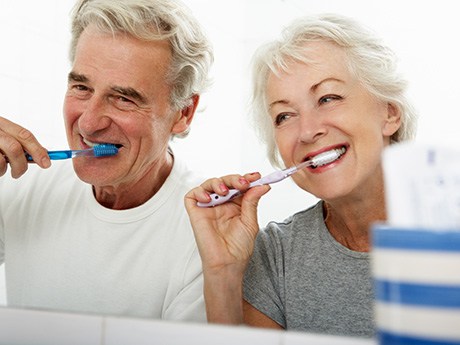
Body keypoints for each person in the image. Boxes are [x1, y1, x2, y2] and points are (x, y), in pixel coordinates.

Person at [185, 13, 417, 337]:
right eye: (284, 116)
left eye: (328, 98)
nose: (307, 131)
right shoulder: (274, 254)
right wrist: (223, 273)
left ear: (389, 112)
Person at [0, 0, 213, 322]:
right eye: (82, 87)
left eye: (124, 98)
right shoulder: (21, 185)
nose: (88, 123)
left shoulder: (208, 232)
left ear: (183, 113)